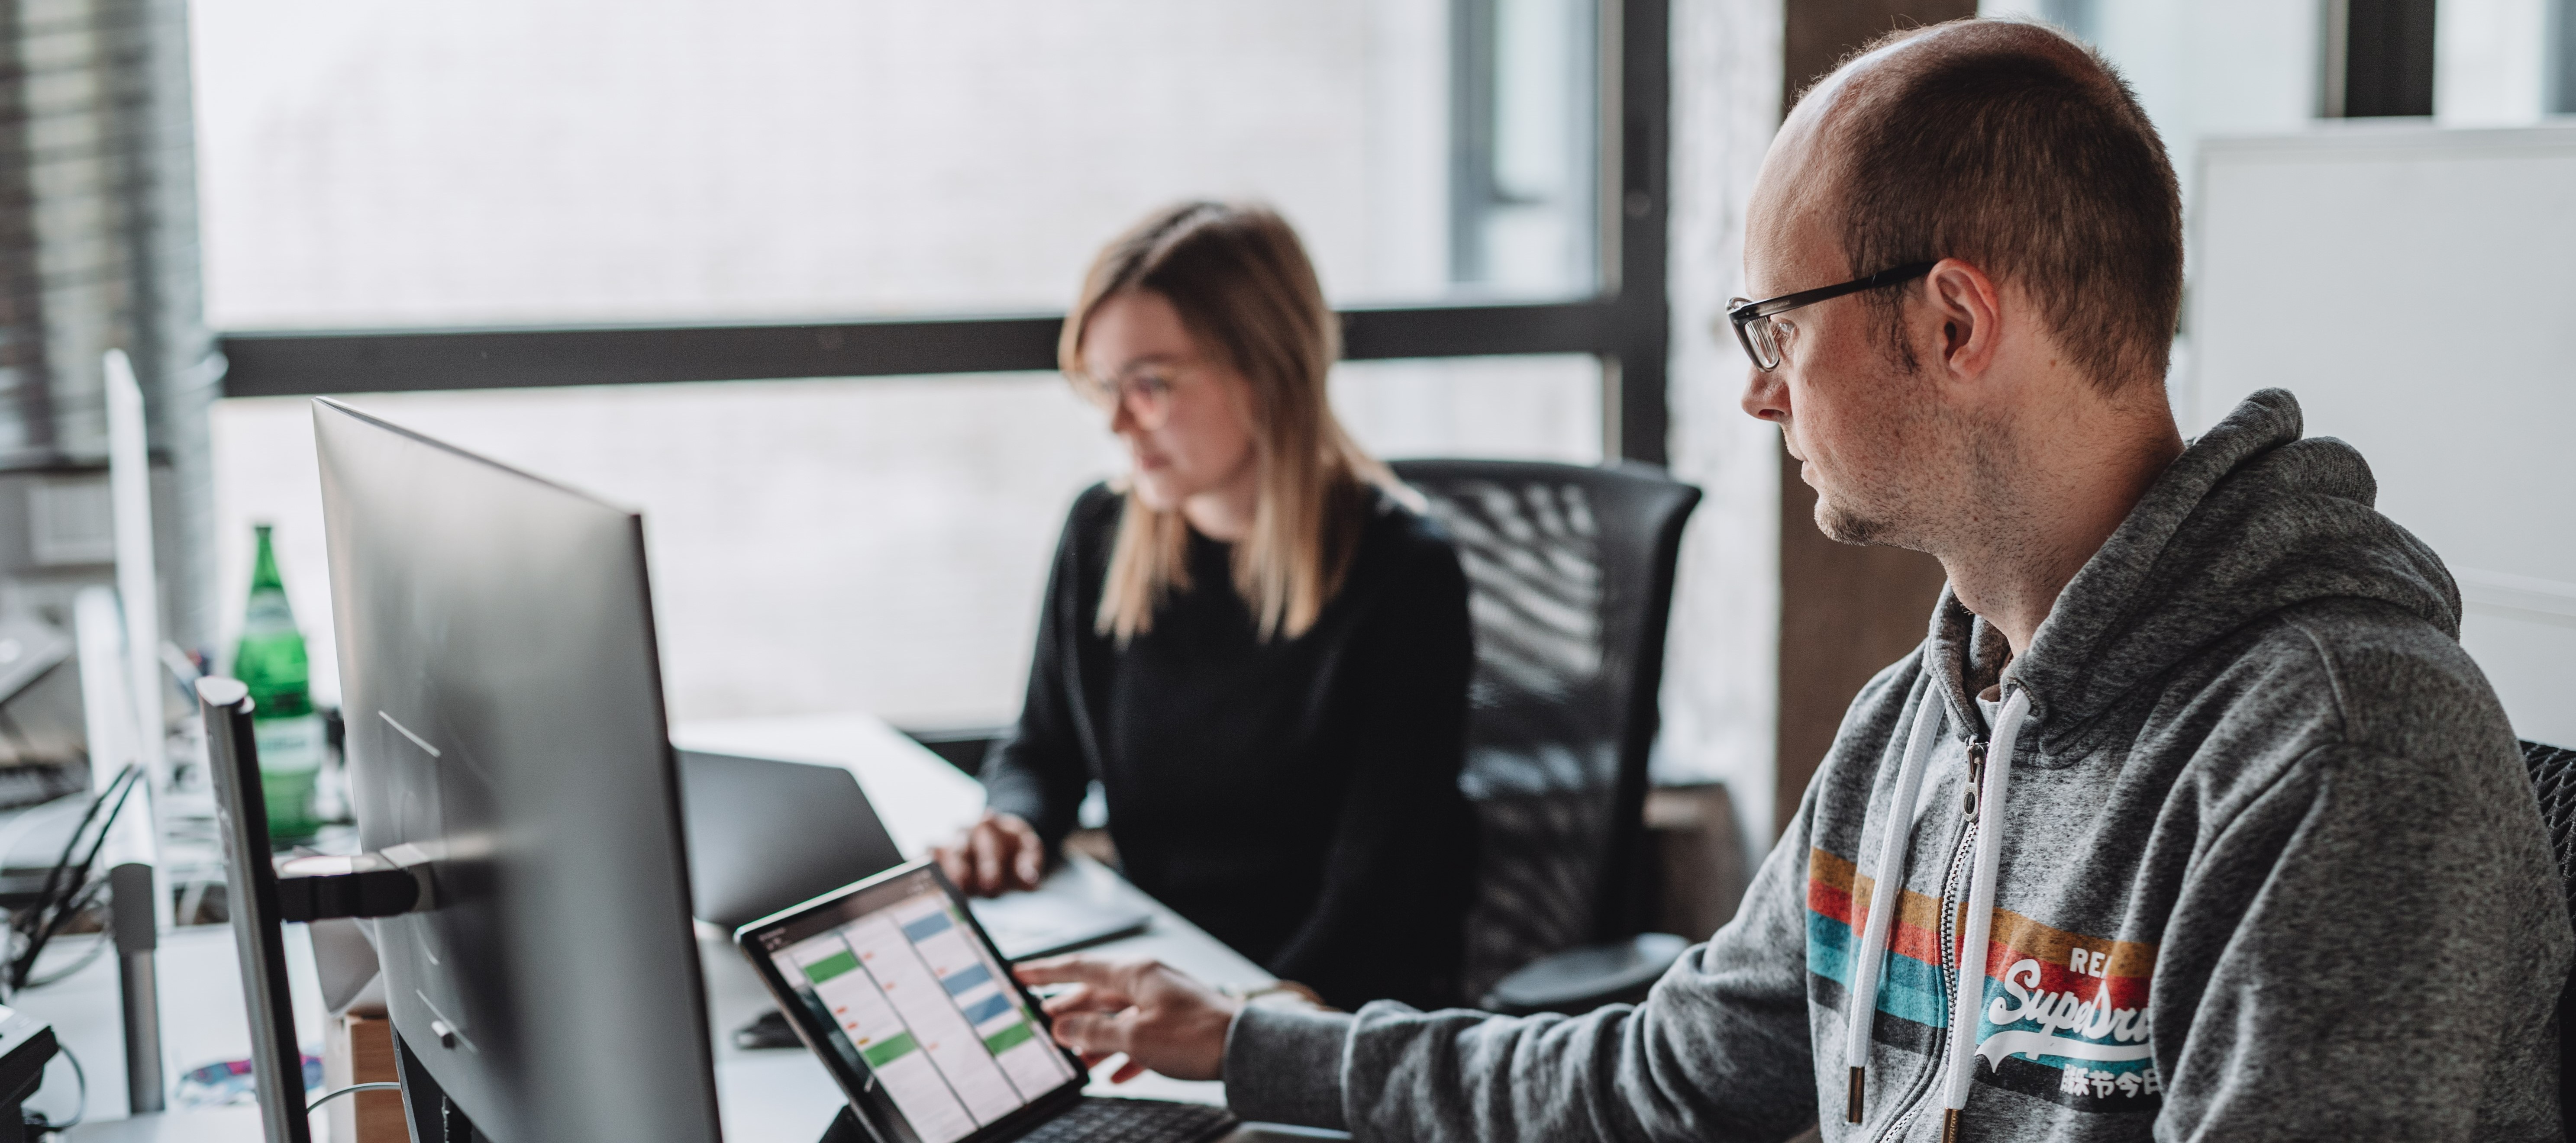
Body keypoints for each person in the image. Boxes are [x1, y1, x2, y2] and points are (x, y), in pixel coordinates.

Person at [1010, 19, 2573, 1141]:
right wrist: (1267, 1053)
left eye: (1775, 328)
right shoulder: (1919, 727)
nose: (1759, 395)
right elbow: (1662, 1076)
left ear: (1954, 325)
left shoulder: (2340, 751)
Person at [933, 201, 1478, 1011]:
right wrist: (1012, 820)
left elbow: (1376, 899)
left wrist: (1244, 1033)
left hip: (1326, 1013)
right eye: (1105, 387)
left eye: (1149, 385)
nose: (1118, 423)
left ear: (1264, 368)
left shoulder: (1402, 572)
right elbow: (1042, 747)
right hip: (1158, 970)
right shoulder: (1101, 530)